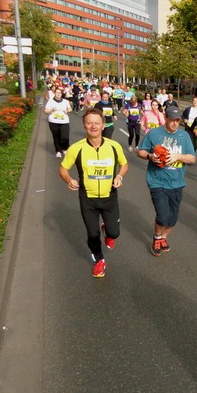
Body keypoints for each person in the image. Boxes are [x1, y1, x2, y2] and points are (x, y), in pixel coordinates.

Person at [58, 109, 129, 277]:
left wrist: (119, 176)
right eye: (89, 123)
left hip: (109, 196)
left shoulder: (114, 146)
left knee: (114, 233)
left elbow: (124, 164)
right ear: (84, 125)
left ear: (103, 125)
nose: (93, 126)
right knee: (92, 233)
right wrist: (69, 180)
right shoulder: (76, 148)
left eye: (97, 123)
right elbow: (63, 168)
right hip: (87, 198)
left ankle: (108, 230)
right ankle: (99, 260)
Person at [137, 106, 196, 256]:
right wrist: (150, 156)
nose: (175, 123)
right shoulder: (154, 134)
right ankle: (157, 237)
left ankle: (164, 237)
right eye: (172, 120)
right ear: (165, 118)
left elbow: (191, 159)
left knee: (172, 219)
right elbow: (141, 151)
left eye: (177, 120)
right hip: (157, 181)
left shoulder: (184, 136)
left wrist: (177, 157)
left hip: (177, 183)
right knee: (162, 216)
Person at [44, 86, 73, 158]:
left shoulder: (65, 101)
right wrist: (52, 109)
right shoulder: (50, 101)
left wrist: (67, 110)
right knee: (56, 137)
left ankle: (65, 148)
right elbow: (46, 111)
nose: (58, 94)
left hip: (64, 121)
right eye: (57, 92)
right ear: (55, 93)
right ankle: (58, 151)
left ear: (61, 94)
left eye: (60, 93)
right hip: (53, 122)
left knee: (65, 137)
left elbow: (70, 109)